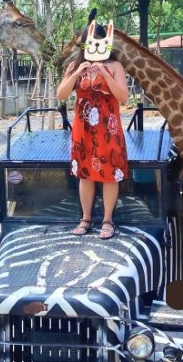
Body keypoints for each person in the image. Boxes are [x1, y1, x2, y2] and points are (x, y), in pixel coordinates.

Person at [57, 20, 129, 240]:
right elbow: (61, 95)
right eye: (89, 42)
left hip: (108, 128)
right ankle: (86, 218)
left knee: (109, 175)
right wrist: (77, 73)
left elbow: (123, 98)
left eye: (98, 41)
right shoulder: (75, 67)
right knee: (85, 174)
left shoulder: (115, 66)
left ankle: (107, 220)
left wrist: (106, 75)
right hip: (84, 128)